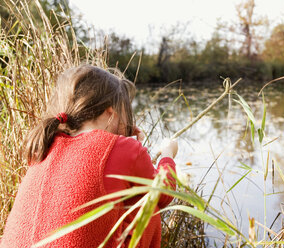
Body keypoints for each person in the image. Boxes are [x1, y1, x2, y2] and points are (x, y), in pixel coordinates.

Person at [0, 65, 178, 248]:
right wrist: (167, 154)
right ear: (111, 111)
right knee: (148, 205)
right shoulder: (122, 148)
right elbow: (164, 192)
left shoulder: (45, 145)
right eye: (126, 111)